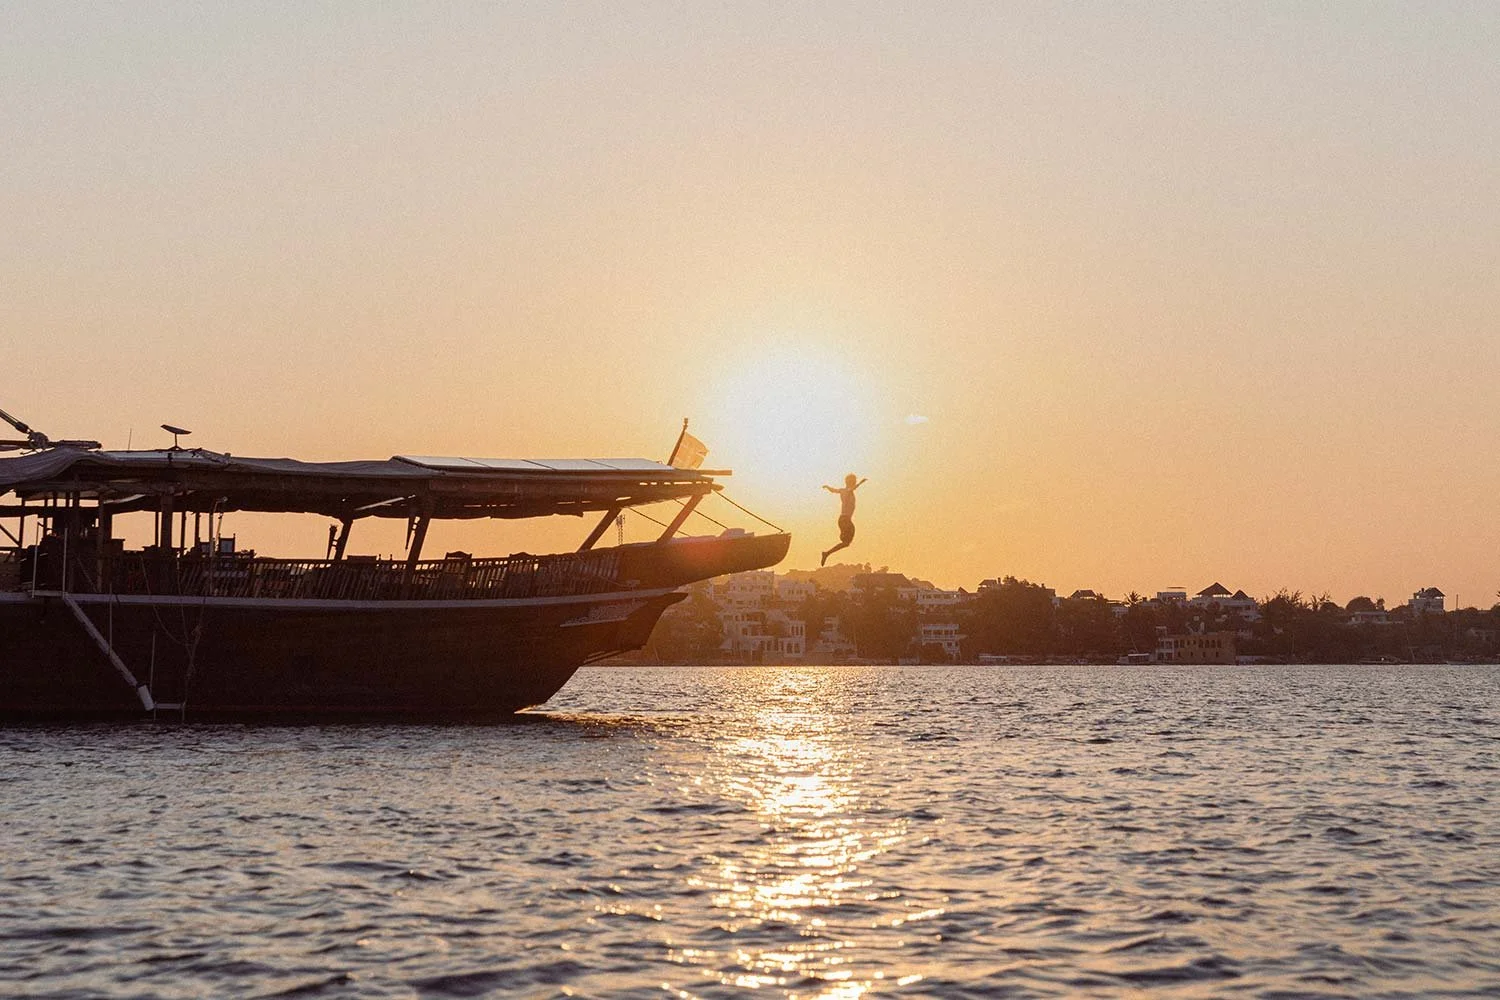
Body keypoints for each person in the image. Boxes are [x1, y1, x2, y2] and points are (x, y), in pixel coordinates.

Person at [820, 473, 867, 566]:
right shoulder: (848, 491)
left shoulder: (842, 491)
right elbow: (852, 489)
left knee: (846, 543)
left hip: (844, 520)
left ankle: (827, 553)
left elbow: (834, 490)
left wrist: (827, 487)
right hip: (845, 520)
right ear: (851, 482)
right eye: (854, 482)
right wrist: (861, 483)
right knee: (846, 542)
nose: (855, 483)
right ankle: (827, 553)